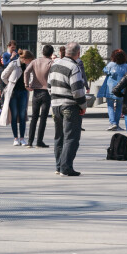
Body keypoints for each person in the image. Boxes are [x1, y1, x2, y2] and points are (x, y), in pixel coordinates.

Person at [48, 42, 87, 176]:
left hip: (56, 106)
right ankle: (66, 167)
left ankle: (59, 166)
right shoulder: (74, 67)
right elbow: (77, 91)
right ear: (78, 54)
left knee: (59, 137)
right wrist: (83, 106)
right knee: (71, 138)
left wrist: (54, 100)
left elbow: (49, 86)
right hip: (69, 106)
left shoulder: (54, 65)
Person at [0, 50, 34, 146]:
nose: (30, 62)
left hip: (23, 92)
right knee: (14, 115)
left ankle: (22, 138)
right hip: (13, 93)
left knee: (22, 115)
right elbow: (3, 76)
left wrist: (29, 84)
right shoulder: (13, 64)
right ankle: (15, 138)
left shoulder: (28, 66)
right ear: (24, 59)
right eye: (29, 60)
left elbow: (31, 76)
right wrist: (10, 84)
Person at [24, 44, 54, 147]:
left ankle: (30, 141)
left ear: (42, 52)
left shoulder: (34, 61)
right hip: (46, 92)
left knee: (34, 117)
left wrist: (26, 84)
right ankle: (39, 141)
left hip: (36, 91)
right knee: (43, 118)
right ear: (51, 54)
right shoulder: (51, 63)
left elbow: (26, 72)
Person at [102, 49, 127, 131]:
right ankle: (116, 124)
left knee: (110, 106)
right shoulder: (126, 66)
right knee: (119, 107)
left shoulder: (111, 64)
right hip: (121, 89)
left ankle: (112, 123)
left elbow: (105, 70)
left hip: (110, 88)